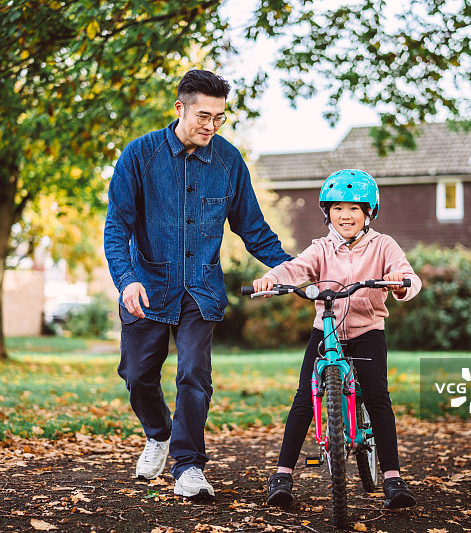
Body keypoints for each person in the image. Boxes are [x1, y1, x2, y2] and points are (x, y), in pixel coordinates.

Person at [104, 69, 292, 500]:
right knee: (136, 375)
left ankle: (188, 465)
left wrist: (292, 267)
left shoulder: (228, 162)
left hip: (201, 290)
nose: (210, 125)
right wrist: (126, 280)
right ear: (180, 109)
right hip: (147, 288)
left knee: (194, 376)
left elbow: (254, 230)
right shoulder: (139, 156)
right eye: (203, 116)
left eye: (219, 118)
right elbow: (117, 228)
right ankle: (158, 433)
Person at [252, 169, 420, 510]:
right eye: (338, 208)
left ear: (369, 212)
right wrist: (271, 278)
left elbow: (408, 276)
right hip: (325, 330)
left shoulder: (383, 245)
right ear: (327, 212)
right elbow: (295, 269)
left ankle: (392, 478)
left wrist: (400, 281)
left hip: (367, 332)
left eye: (355, 208)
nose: (346, 215)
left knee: (377, 396)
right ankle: (282, 476)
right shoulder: (321, 249)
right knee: (303, 397)